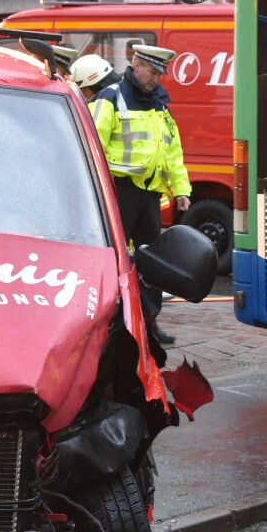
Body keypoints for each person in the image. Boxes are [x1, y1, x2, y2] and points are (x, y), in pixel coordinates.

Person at [89, 45, 192, 345]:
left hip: (149, 195)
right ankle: (109, 324)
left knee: (150, 262)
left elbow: (172, 152)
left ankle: (148, 325)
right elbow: (92, 146)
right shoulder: (111, 98)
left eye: (160, 74)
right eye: (153, 72)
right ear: (136, 64)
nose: (156, 79)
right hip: (117, 193)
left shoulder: (159, 104)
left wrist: (181, 189)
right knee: (112, 259)